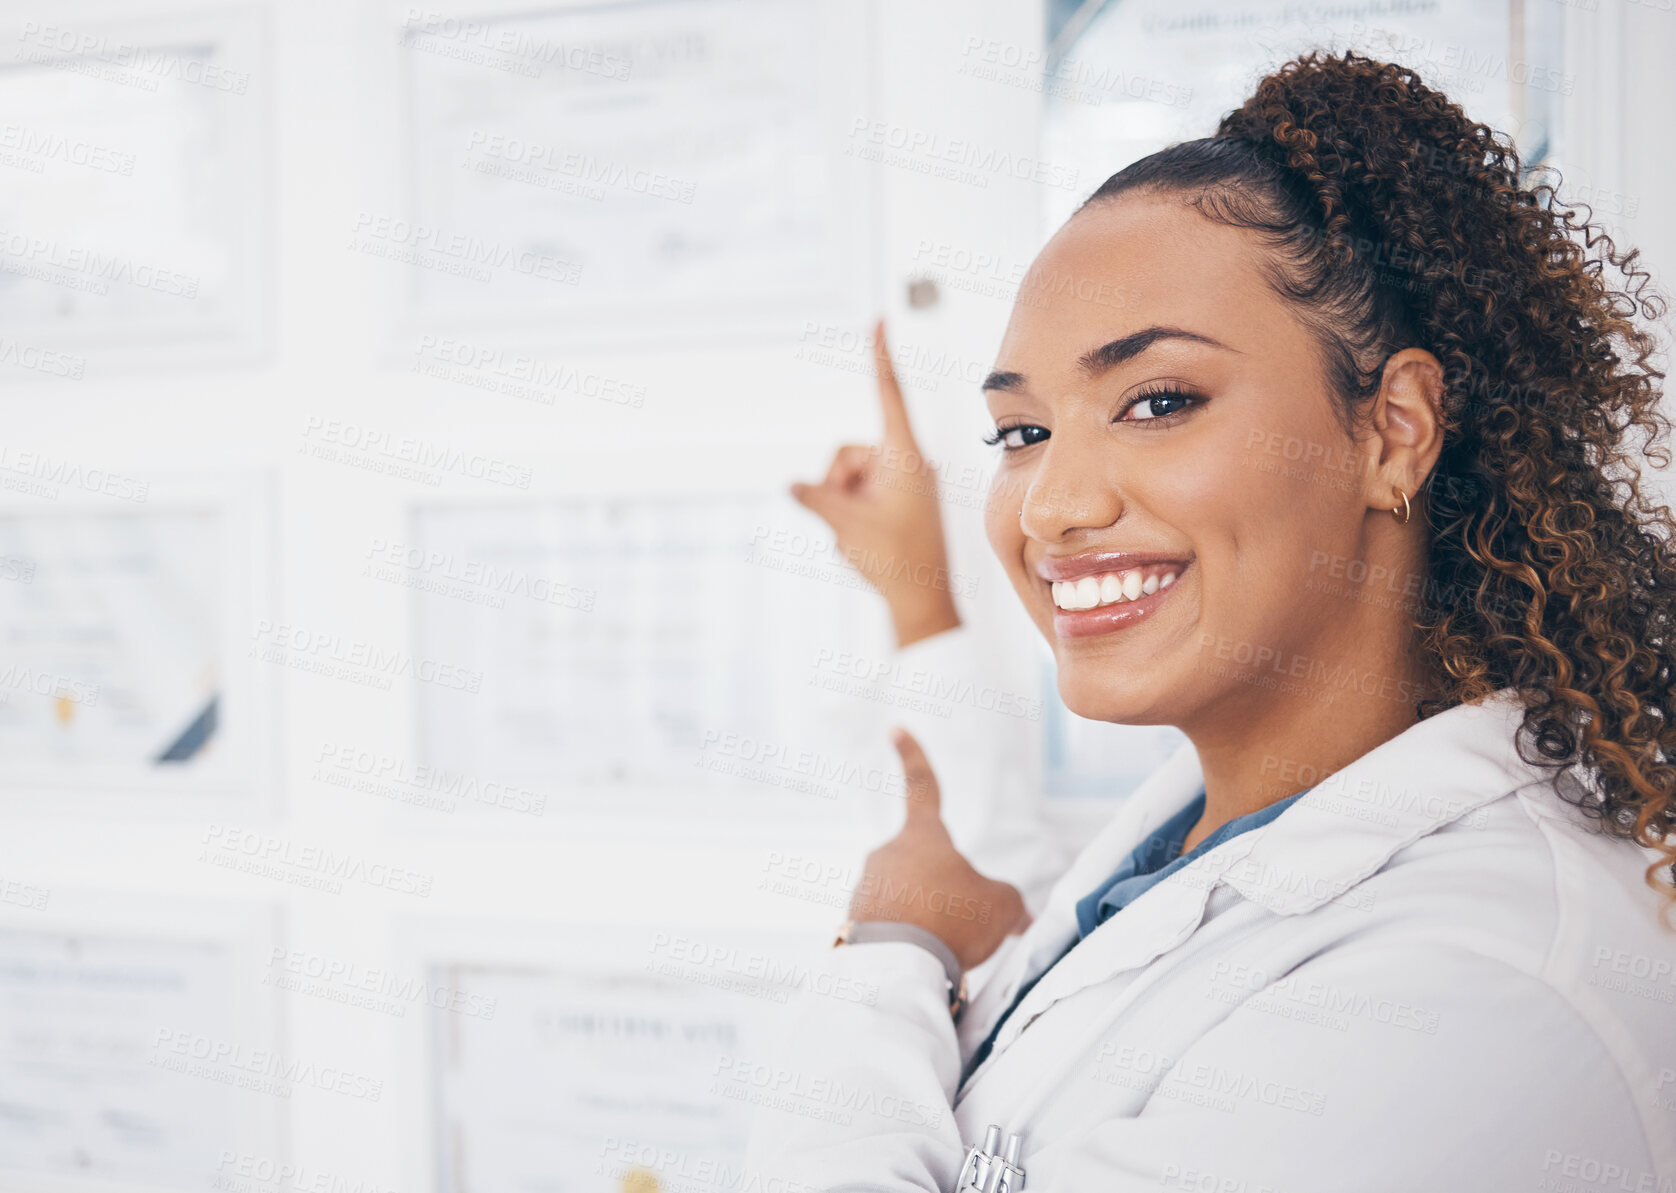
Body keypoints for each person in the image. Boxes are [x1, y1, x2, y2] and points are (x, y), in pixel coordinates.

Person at [746, 50, 1676, 1189]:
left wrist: (885, 961)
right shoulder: (1212, 821)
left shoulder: (1477, 981)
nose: (1053, 504)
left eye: (1157, 401)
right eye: (1021, 432)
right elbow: (1031, 909)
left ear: (1391, 431)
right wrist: (915, 591)